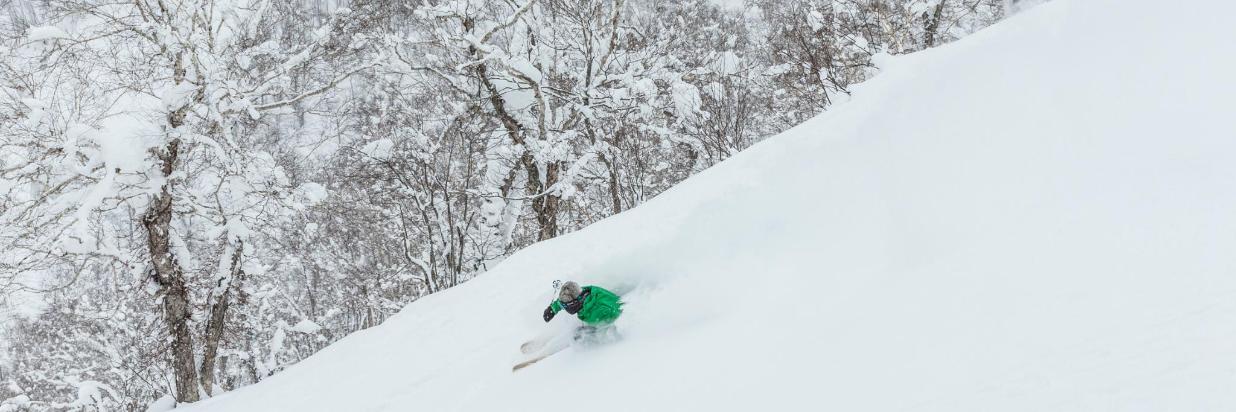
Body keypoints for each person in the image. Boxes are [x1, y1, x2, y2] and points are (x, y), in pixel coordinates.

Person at [542, 281, 623, 343]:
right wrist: (552, 309)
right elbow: (564, 300)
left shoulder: (599, 309)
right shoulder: (580, 293)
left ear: (574, 305)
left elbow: (610, 329)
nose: (563, 307)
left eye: (565, 306)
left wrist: (590, 333)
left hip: (609, 316)